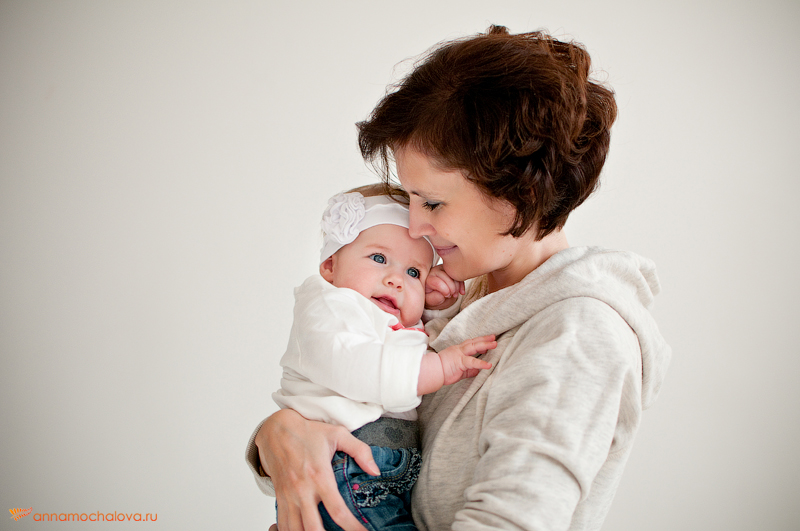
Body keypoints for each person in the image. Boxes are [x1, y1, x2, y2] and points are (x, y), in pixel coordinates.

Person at [246, 25, 671, 531]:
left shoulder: (578, 337)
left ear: (519, 196)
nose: (414, 227)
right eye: (411, 199)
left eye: (433, 203)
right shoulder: (457, 296)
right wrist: (277, 435)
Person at [271, 185, 496, 530]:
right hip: (346, 468)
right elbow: (358, 366)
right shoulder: (329, 308)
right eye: (379, 258)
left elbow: (415, 337)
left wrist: (438, 307)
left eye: (414, 272)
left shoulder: (380, 314)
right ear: (330, 265)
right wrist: (440, 366)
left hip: (381, 467)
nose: (396, 280)